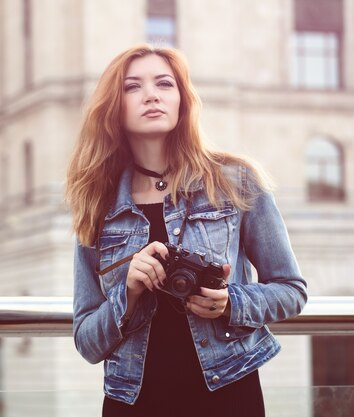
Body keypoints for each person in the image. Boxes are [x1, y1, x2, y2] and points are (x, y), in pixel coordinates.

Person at [65, 44, 307, 417]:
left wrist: (231, 302)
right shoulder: (99, 202)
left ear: (182, 100)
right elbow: (86, 341)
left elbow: (291, 291)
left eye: (165, 83)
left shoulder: (236, 182)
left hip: (228, 392)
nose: (151, 95)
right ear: (115, 106)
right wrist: (127, 293)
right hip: (134, 401)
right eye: (133, 87)